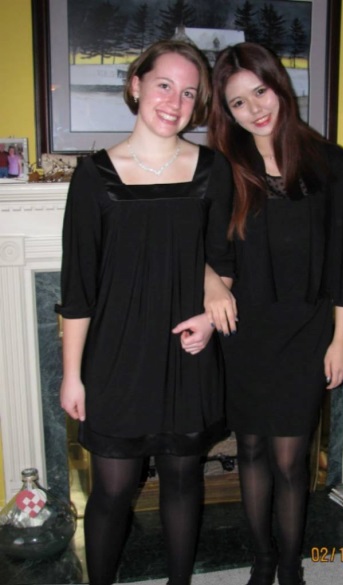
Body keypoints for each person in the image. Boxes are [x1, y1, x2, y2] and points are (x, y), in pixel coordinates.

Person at [56, 40, 236, 585]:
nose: (174, 102)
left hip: (186, 352)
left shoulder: (213, 170)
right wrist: (71, 374)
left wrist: (209, 319)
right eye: (164, 85)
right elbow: (78, 288)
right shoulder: (94, 177)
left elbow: (222, 263)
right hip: (116, 357)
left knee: (183, 481)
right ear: (136, 85)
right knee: (111, 491)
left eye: (188, 93)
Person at [207, 43, 343, 585]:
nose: (254, 108)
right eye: (238, 102)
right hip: (244, 333)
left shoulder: (331, 164)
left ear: (279, 85)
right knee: (250, 448)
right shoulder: (223, 169)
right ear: (228, 113)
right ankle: (263, 559)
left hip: (308, 331)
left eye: (260, 91)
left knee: (292, 460)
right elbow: (201, 248)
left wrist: (342, 338)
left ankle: (291, 565)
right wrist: (209, 282)